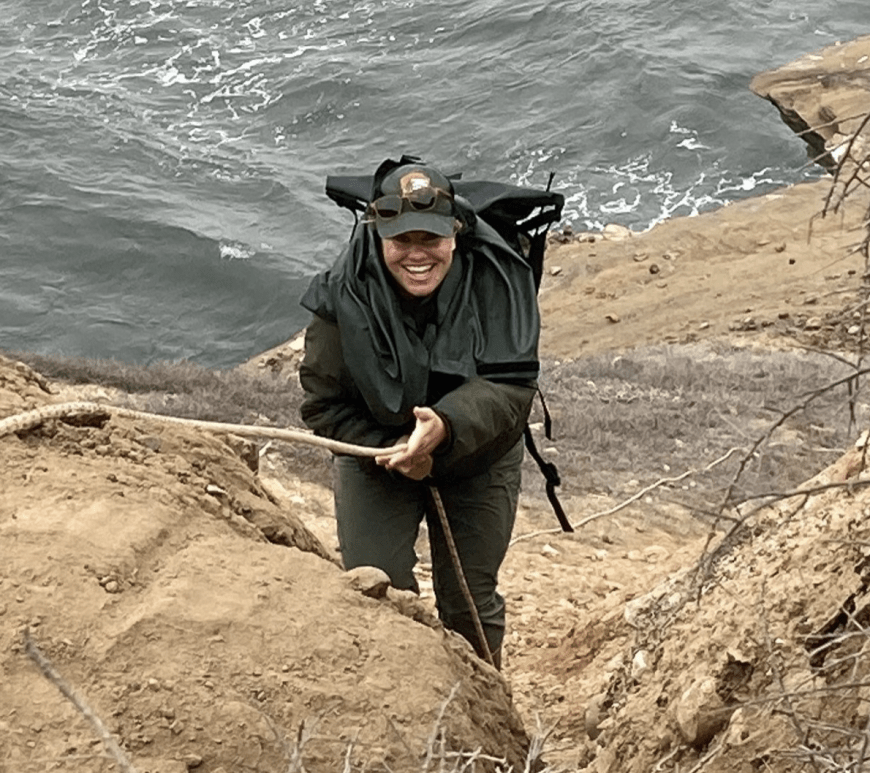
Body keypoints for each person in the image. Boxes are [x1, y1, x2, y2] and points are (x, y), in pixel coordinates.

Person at [297, 157, 541, 669]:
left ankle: (486, 712)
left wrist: (445, 428)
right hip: (379, 451)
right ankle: (399, 699)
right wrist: (394, 452)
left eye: (430, 239)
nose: (416, 255)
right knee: (375, 588)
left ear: (455, 231)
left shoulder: (498, 279)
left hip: (479, 452)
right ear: (377, 231)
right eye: (400, 240)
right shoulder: (343, 292)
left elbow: (513, 387)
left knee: (470, 599)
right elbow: (323, 403)